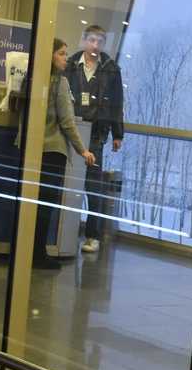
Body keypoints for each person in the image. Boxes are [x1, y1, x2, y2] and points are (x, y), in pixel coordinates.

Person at [26, 38, 95, 269]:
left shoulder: (32, 80)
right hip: (53, 151)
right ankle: (39, 254)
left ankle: (30, 252)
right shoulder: (60, 83)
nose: (66, 58)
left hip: (33, 150)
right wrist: (83, 150)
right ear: (50, 56)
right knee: (46, 206)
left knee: (31, 206)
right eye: (62, 54)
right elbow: (67, 122)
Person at [64, 24, 125, 254]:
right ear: (84, 40)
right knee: (66, 182)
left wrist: (118, 134)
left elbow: (118, 102)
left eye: (100, 41)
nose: (95, 45)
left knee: (93, 185)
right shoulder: (70, 65)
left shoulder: (111, 69)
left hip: (96, 133)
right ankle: (61, 234)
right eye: (92, 40)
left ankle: (92, 235)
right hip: (69, 130)